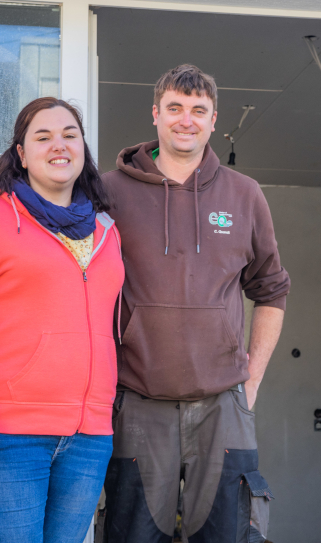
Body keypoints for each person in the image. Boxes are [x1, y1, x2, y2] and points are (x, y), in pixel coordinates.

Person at [100, 64, 291, 542]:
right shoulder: (109, 192)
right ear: (155, 115)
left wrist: (253, 379)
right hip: (137, 400)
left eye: (198, 111)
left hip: (222, 404)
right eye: (175, 109)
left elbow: (271, 289)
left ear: (213, 120)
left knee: (230, 533)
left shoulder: (244, 194)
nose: (186, 120)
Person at [0, 98, 125, 543]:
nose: (59, 145)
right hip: (5, 434)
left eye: (70, 135)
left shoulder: (105, 231)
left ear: (83, 149)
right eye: (43, 136)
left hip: (88, 438)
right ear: (20, 153)